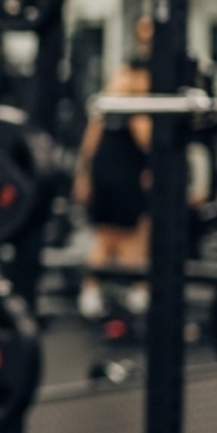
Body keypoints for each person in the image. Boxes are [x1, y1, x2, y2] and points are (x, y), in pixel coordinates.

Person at [73, 17, 154, 319]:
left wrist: (84, 169)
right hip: (120, 163)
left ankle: (96, 293)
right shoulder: (136, 76)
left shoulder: (123, 76)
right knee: (125, 234)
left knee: (109, 234)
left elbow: (96, 123)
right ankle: (134, 293)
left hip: (109, 162)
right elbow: (141, 133)